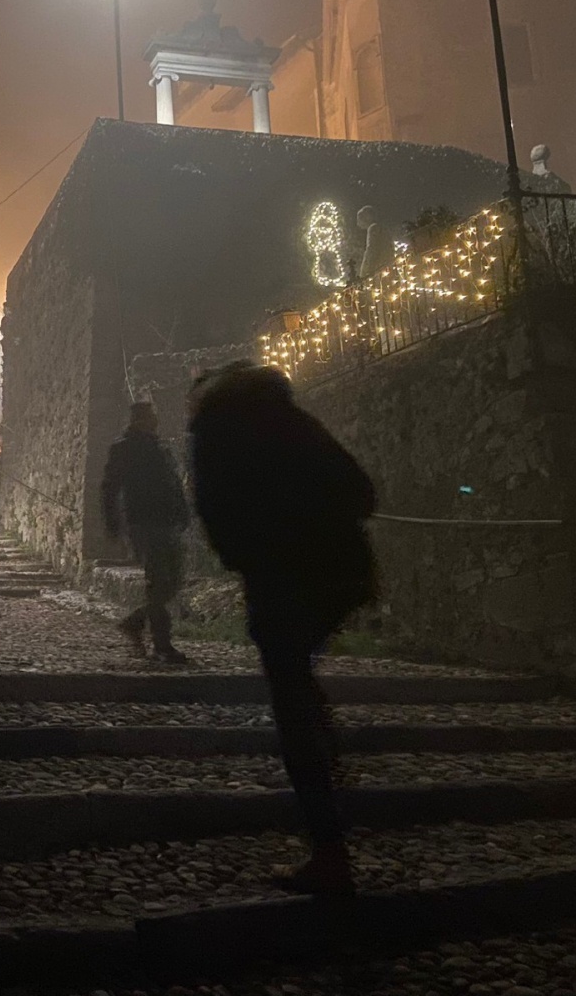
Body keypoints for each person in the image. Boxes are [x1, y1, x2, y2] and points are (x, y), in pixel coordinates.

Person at [188, 362, 377, 896]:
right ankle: (322, 745)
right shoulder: (295, 421)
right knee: (299, 681)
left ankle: (328, 849)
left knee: (291, 701)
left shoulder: (216, 431)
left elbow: (217, 515)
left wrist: (256, 555)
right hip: (341, 574)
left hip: (281, 582)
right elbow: (361, 493)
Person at [100, 401, 190, 663]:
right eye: (151, 416)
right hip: (143, 521)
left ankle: (135, 621)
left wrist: (182, 511)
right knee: (159, 579)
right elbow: (110, 487)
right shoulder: (124, 448)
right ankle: (162, 644)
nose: (155, 419)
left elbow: (173, 482)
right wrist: (113, 521)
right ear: (139, 419)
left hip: (166, 519)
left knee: (173, 580)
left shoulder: (160, 447)